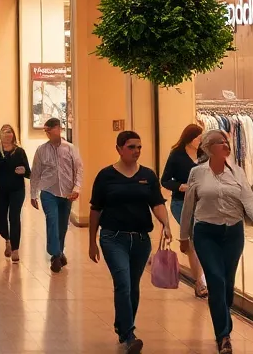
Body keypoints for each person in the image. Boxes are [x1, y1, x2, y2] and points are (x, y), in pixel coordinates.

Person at [180, 129, 253, 354]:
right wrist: (183, 236)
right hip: (206, 233)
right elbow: (188, 206)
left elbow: (248, 198)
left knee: (227, 284)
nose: (226, 145)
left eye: (227, 142)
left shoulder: (237, 172)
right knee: (216, 281)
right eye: (221, 143)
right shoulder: (197, 173)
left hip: (233, 234)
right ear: (209, 148)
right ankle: (224, 335)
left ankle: (223, 318)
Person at [88, 131, 173, 354]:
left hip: (141, 239)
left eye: (139, 147)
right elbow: (96, 209)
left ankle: (122, 326)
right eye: (131, 147)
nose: (136, 151)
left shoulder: (148, 175)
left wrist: (166, 223)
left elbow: (157, 203)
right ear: (119, 149)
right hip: (113, 237)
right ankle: (129, 334)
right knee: (123, 283)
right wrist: (91, 242)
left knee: (132, 286)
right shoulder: (106, 176)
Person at [29, 117, 83, 273]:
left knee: (62, 224)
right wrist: (33, 194)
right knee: (52, 221)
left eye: (50, 130)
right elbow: (36, 173)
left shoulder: (70, 148)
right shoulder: (41, 150)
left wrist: (77, 188)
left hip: (67, 193)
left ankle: (59, 251)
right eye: (45, 131)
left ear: (58, 129)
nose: (47, 133)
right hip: (48, 191)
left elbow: (79, 169)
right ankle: (55, 255)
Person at [161, 123, 207, 297]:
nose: (200, 141)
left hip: (203, 204)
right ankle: (200, 282)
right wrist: (180, 186)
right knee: (193, 241)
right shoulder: (177, 155)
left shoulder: (204, 155)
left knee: (201, 241)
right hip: (181, 204)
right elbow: (164, 180)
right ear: (189, 138)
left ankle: (202, 278)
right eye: (197, 137)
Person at [0, 123, 30, 262]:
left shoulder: (19, 152)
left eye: (9, 132)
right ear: (0, 135)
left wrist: (24, 171)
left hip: (17, 190)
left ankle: (16, 249)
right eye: (4, 132)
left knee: (14, 217)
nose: (7, 135)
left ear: (13, 135)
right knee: (1, 217)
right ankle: (7, 239)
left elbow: (29, 172)